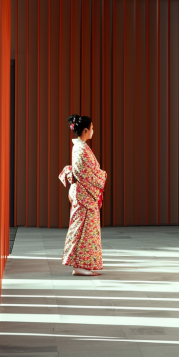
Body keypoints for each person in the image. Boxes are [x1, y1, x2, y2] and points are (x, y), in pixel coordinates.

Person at [59, 114, 107, 276]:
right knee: (82, 230)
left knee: (87, 231)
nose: (93, 131)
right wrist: (102, 176)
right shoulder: (80, 148)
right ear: (85, 130)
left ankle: (82, 265)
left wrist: (98, 174)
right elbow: (83, 172)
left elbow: (85, 171)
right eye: (92, 128)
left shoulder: (81, 147)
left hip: (85, 194)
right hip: (85, 196)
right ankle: (78, 266)